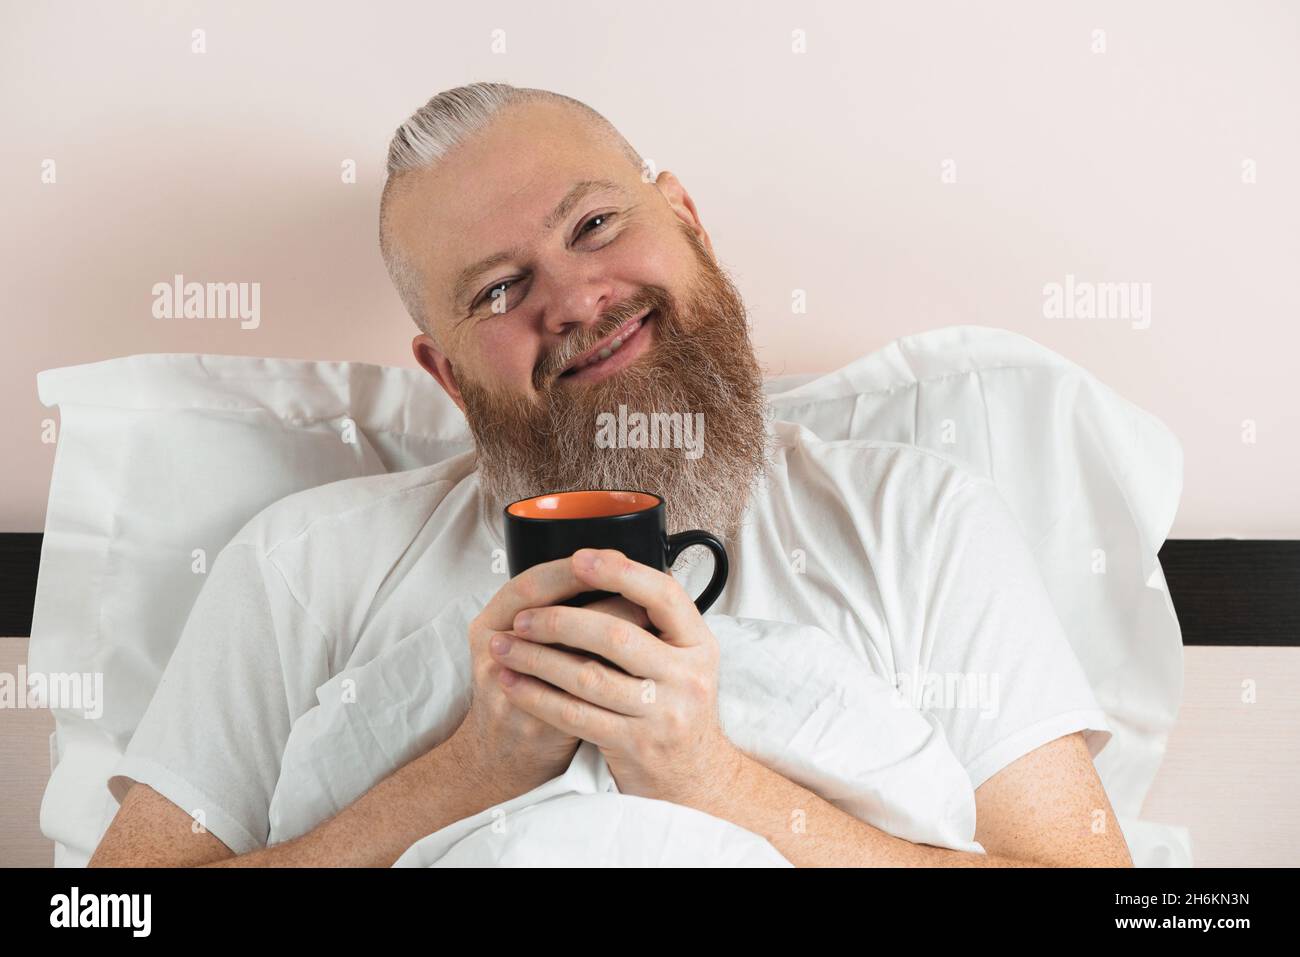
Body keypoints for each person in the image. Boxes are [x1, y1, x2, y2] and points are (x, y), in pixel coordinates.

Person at [90, 82, 1131, 867]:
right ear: (446, 375)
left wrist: (709, 778)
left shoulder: (918, 522)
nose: (577, 299)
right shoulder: (301, 563)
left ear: (685, 219)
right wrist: (465, 773)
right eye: (499, 289)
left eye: (594, 226)